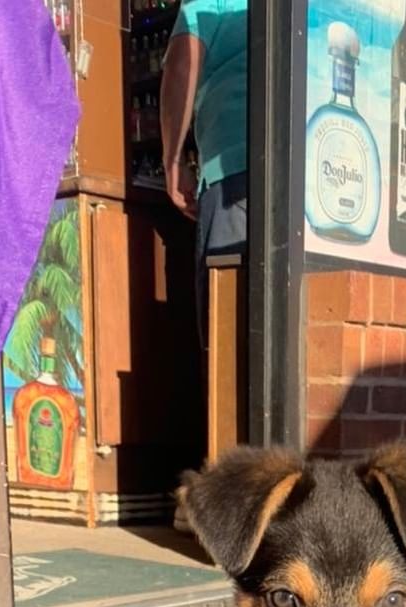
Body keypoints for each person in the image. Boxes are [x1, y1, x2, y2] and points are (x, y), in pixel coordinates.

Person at [160, 0, 248, 353]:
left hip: (233, 167)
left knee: (226, 330)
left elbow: (184, 62)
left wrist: (173, 160)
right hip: (316, 170)